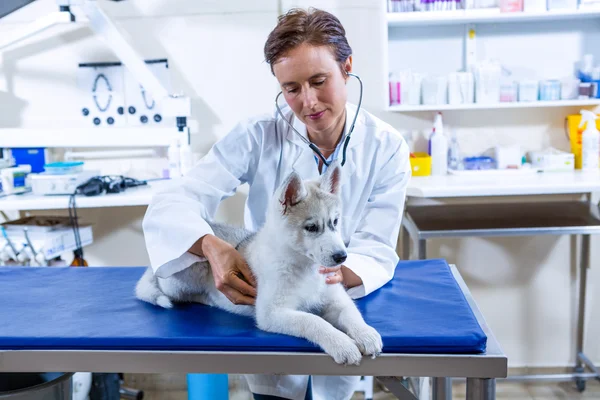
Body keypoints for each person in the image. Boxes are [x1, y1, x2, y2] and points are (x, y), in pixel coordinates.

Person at [143, 7, 411, 400]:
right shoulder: (258, 134)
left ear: (347, 66)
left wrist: (333, 274)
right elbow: (175, 199)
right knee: (274, 395)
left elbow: (376, 245)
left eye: (319, 81)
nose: (308, 102)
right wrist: (210, 245)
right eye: (291, 88)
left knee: (335, 387)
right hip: (271, 291)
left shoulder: (386, 146)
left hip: (336, 292)